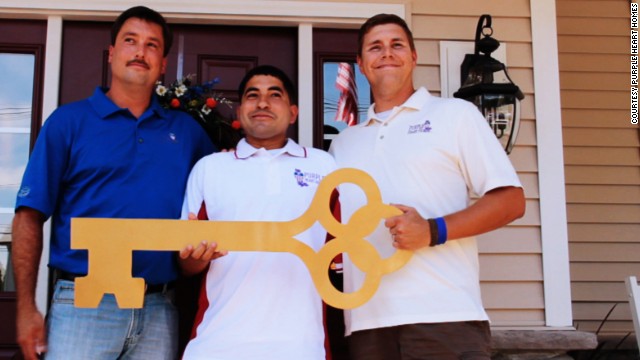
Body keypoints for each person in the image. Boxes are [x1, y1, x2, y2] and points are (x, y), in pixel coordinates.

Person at [12, 6, 214, 360]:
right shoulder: (67, 123)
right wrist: (26, 307)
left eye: (152, 45)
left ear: (163, 63)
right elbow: (28, 216)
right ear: (112, 54)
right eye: (130, 41)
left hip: (159, 308)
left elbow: (221, 197)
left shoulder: (187, 133)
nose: (140, 51)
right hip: (83, 305)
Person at [329, 13, 526, 360]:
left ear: (414, 56)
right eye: (375, 47)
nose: (386, 53)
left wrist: (432, 230)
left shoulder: (456, 115)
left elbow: (511, 200)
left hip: (445, 317)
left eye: (396, 45)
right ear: (361, 64)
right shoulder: (343, 145)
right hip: (366, 325)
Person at [178, 65, 336, 360]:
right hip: (216, 346)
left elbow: (343, 255)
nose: (262, 103)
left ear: (292, 112)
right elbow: (186, 263)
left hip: (301, 347)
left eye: (274, 95)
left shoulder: (325, 166)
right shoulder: (209, 168)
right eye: (253, 95)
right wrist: (196, 258)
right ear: (239, 112)